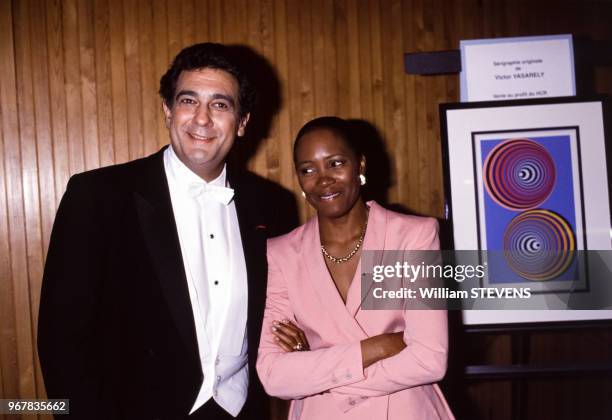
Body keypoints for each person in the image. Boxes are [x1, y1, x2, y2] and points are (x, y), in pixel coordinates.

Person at [38, 43, 297, 419]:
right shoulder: (98, 196)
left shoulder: (270, 203)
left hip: (241, 410)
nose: (202, 119)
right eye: (188, 101)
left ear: (242, 123)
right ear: (167, 110)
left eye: (220, 105)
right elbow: (61, 339)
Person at [256, 116, 454, 419]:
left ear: (360, 166)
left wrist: (317, 373)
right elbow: (273, 375)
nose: (323, 180)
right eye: (308, 169)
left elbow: (430, 359)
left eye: (336, 163)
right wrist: (378, 347)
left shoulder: (413, 236)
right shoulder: (282, 252)